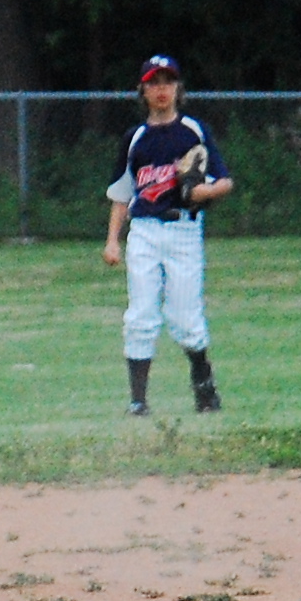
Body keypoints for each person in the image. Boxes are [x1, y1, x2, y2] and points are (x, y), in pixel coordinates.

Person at [101, 55, 233, 415]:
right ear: (143, 91)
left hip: (183, 230)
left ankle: (204, 387)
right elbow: (121, 194)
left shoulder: (193, 130)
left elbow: (225, 181)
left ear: (178, 89)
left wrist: (204, 191)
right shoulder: (135, 139)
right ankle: (138, 401)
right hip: (144, 230)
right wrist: (113, 240)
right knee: (140, 315)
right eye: (154, 83)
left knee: (186, 318)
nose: (161, 89)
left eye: (168, 82)